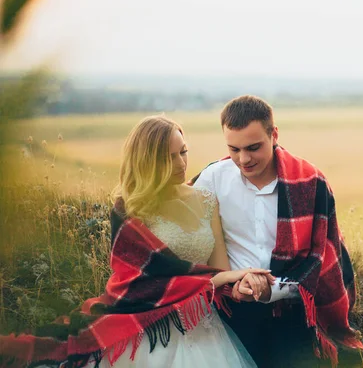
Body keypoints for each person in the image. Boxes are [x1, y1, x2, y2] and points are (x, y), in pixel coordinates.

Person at [0, 115, 272, 368]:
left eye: (183, 152)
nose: (180, 164)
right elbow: (141, 282)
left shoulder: (206, 200)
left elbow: (220, 273)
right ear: (146, 160)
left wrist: (242, 283)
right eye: (168, 157)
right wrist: (223, 278)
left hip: (204, 328)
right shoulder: (131, 209)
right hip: (148, 330)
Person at [191, 95, 363, 367]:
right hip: (230, 307)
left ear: (274, 135)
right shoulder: (213, 178)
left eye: (253, 147)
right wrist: (229, 285)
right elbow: (189, 240)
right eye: (234, 149)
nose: (243, 159)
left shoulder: (310, 182)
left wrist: (270, 290)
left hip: (293, 310)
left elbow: (321, 259)